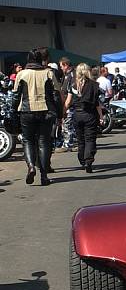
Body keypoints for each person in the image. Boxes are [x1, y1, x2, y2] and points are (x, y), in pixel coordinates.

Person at [13, 48, 62, 186]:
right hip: (46, 112)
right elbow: (56, 96)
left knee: (28, 141)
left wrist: (14, 112)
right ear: (41, 60)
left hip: (26, 112)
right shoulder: (49, 73)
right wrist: (60, 114)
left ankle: (31, 166)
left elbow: (16, 96)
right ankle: (44, 175)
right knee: (44, 143)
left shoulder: (21, 74)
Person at [64, 63, 102, 173]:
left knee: (81, 140)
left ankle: (82, 160)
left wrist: (63, 114)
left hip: (77, 114)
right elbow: (97, 103)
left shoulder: (73, 85)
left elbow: (68, 102)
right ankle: (88, 160)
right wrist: (101, 116)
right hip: (90, 114)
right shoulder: (94, 85)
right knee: (90, 139)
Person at [56, 56, 75, 151]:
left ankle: (68, 144)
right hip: (65, 104)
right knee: (65, 126)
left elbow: (70, 94)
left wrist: (65, 108)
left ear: (66, 65)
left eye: (61, 66)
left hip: (70, 106)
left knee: (68, 125)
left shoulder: (72, 75)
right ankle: (66, 142)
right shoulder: (66, 75)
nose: (61, 68)